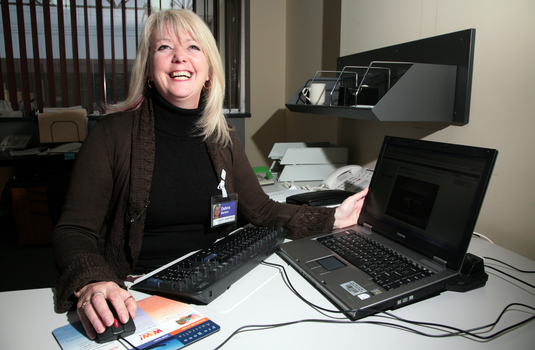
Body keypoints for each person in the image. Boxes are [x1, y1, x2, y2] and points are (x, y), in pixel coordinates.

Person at [52, 9, 368, 340]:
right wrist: (92, 282)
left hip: (217, 280)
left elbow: (261, 210)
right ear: (148, 69)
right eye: (163, 48)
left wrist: (332, 217)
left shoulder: (223, 136)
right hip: (140, 291)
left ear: (208, 71)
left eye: (192, 47)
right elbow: (74, 230)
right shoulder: (111, 135)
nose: (179, 58)